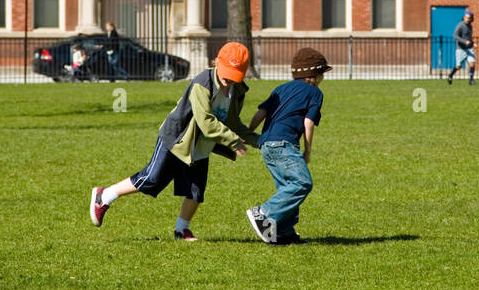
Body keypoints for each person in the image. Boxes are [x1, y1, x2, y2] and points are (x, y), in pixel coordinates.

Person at [91, 42, 261, 241]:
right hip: (177, 139)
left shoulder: (236, 91)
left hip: (201, 146)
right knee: (152, 179)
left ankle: (182, 230)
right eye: (226, 73)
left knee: (196, 190)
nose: (229, 79)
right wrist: (233, 140)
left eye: (234, 75)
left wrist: (260, 141)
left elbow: (234, 123)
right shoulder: (203, 83)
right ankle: (105, 195)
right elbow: (205, 121)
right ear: (216, 62)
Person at [245, 47, 330, 246]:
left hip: (266, 145)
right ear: (315, 75)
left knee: (286, 186)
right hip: (284, 145)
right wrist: (307, 150)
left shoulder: (281, 88)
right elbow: (308, 123)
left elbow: (261, 113)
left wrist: (248, 133)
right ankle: (264, 213)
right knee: (302, 183)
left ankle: (285, 233)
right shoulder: (315, 93)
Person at [447, 10, 475, 84]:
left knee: (472, 63)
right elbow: (455, 36)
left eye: (469, 18)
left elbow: (469, 38)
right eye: (466, 18)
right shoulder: (460, 25)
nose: (467, 19)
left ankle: (471, 80)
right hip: (461, 48)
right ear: (464, 18)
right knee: (458, 66)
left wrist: (473, 43)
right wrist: (464, 41)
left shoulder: (470, 26)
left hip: (469, 48)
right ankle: (450, 75)